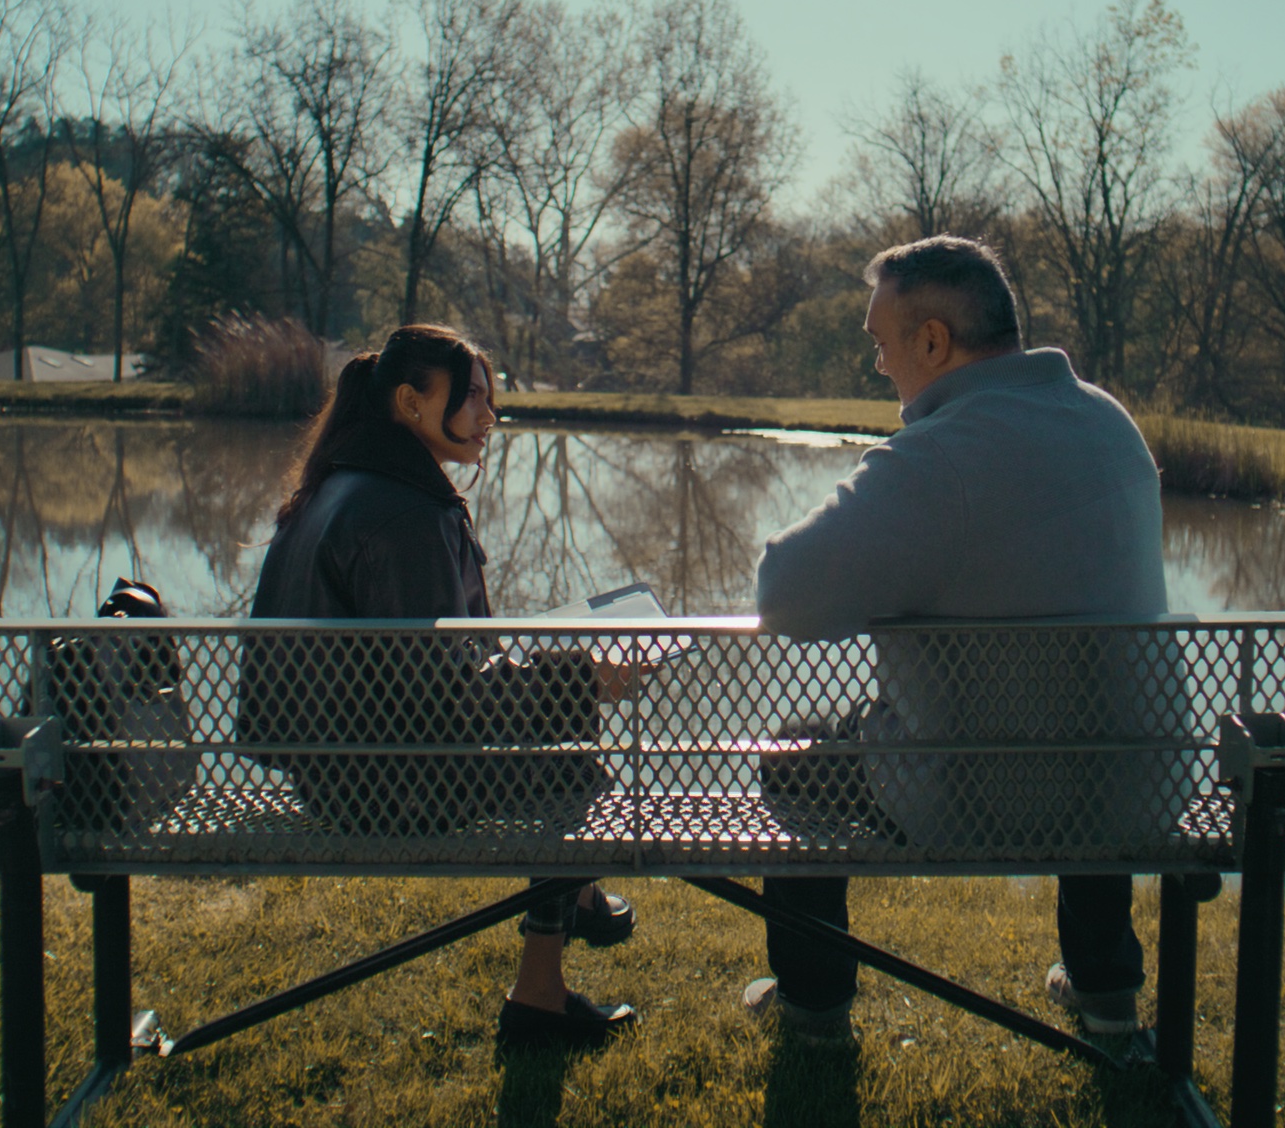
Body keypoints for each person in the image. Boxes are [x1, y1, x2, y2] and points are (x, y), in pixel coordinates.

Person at [743, 237, 1171, 1039]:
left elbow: (787, 597)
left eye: (880, 343)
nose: (878, 365)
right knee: (1091, 706)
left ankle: (814, 1008)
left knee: (794, 758)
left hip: (976, 796)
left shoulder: (938, 457)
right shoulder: (1109, 422)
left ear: (932, 340)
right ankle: (1106, 990)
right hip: (1138, 779)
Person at [238, 323, 644, 1051]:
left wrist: (554, 678)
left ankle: (577, 900)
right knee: (573, 771)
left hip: (328, 768)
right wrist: (584, 677)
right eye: (475, 398)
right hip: (382, 790)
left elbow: (422, 678)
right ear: (411, 403)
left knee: (560, 725)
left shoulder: (336, 485)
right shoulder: (407, 515)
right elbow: (444, 702)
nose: (490, 415)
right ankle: (540, 996)